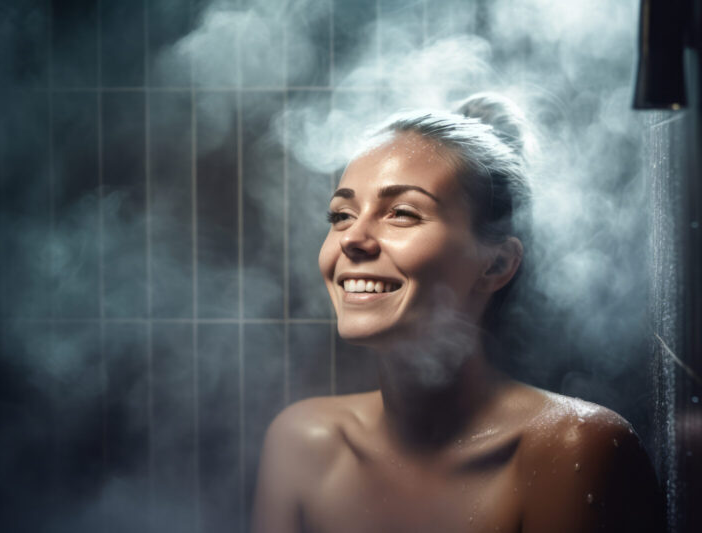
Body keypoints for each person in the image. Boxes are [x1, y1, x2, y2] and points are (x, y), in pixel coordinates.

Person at [251, 94, 663, 533]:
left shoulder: (574, 449)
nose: (352, 238)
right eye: (341, 214)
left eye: (402, 213)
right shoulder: (301, 443)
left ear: (496, 264)